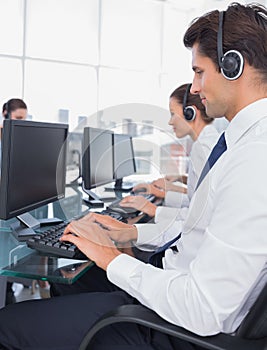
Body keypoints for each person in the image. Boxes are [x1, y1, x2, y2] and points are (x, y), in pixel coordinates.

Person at [0, 3, 267, 350]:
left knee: (7, 325)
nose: (196, 88)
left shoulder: (254, 158)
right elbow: (196, 230)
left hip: (175, 328)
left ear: (234, 65)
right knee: (71, 278)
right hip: (174, 293)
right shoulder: (243, 144)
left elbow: (204, 309)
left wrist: (114, 258)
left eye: (199, 71)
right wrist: (130, 235)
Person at [118, 83, 219, 221]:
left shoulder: (203, 149)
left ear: (190, 113)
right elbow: (195, 201)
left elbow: (200, 215)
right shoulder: (208, 142)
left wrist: (153, 209)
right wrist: (162, 192)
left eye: (173, 114)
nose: (170, 122)